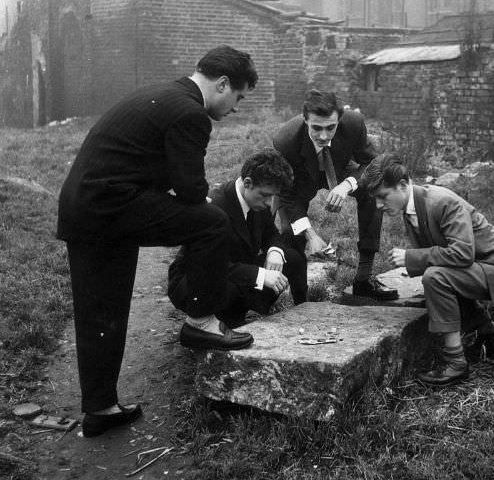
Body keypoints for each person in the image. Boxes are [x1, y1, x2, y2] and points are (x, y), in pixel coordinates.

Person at [57, 45, 258, 437]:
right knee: (212, 222)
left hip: (88, 207)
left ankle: (100, 408)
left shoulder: (166, 95)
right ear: (222, 84)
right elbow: (188, 188)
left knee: (101, 307)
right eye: (239, 97)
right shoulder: (190, 113)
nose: (236, 108)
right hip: (108, 206)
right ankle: (202, 320)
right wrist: (202, 198)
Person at [360, 153, 494, 386]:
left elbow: (462, 254)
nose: (378, 205)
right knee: (436, 279)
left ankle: (456, 364)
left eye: (382, 197)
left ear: (402, 185)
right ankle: (490, 333)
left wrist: (413, 258)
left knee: (435, 278)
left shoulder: (440, 201)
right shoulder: (412, 206)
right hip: (483, 268)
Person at [272, 89, 398, 300]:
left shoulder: (354, 123)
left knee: (370, 191)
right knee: (290, 229)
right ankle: (300, 298)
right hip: (300, 177)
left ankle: (364, 280)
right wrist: (310, 234)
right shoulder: (285, 141)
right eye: (316, 128)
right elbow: (288, 197)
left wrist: (347, 185)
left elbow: (372, 163)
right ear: (305, 120)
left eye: (331, 128)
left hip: (340, 167)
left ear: (339, 120)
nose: (323, 136)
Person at [168, 149, 308, 324]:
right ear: (247, 183)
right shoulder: (216, 206)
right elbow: (208, 263)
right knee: (234, 286)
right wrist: (259, 275)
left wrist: (275, 250)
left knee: (292, 258)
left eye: (273, 196)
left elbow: (271, 233)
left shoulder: (257, 201)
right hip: (195, 279)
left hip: (235, 268)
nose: (268, 203)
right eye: (265, 195)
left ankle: (297, 309)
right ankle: (219, 321)